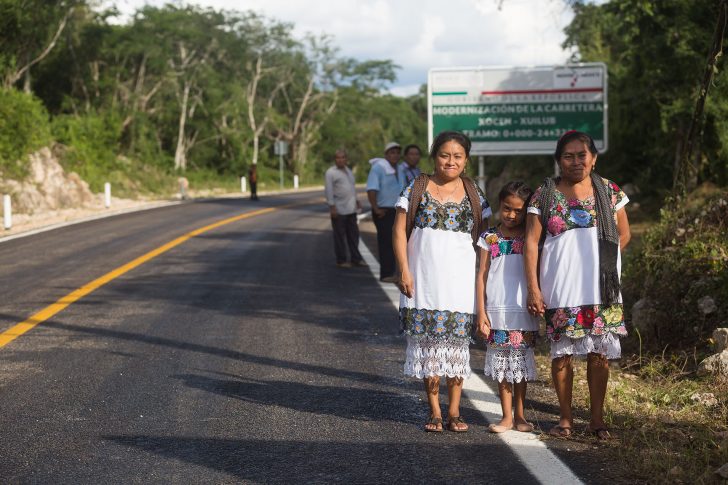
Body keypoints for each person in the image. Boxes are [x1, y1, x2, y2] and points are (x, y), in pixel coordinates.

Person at [524, 130, 631, 440]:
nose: (575, 161)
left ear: (593, 159)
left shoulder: (609, 191)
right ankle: (566, 419)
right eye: (568, 156)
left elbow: (624, 234)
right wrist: (534, 287)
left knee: (600, 355)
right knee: (562, 355)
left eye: (581, 155)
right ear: (559, 161)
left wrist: (605, 262)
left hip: (602, 290)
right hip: (561, 288)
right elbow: (531, 243)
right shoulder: (544, 194)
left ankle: (597, 421)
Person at [393, 131, 491, 433]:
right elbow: (398, 232)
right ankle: (434, 410)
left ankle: (455, 411)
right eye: (445, 155)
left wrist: (484, 286)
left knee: (457, 349)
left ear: (466, 160)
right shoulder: (417, 187)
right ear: (434, 156)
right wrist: (404, 271)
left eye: (457, 156)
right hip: (423, 282)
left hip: (460, 286)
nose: (450, 161)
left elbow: (486, 241)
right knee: (429, 348)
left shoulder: (475, 194)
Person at [475, 181, 540, 434]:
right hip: (497, 310)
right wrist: (481, 312)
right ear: (499, 206)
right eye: (506, 209)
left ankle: (521, 415)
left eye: (518, 211)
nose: (512, 215)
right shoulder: (489, 237)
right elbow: (481, 275)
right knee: (502, 364)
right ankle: (505, 416)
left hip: (523, 309)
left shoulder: (531, 238)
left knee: (520, 365)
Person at [367, 142, 403, 282]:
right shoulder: (378, 168)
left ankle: (396, 272)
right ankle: (386, 274)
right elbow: (371, 189)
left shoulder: (399, 168)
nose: (395, 155)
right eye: (392, 152)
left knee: (397, 242)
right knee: (386, 242)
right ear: (386, 155)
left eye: (397, 152)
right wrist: (376, 208)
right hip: (384, 210)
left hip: (397, 211)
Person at [324, 149, 366, 268]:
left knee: (354, 235)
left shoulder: (348, 171)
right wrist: (332, 207)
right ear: (335, 159)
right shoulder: (330, 172)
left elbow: (352, 188)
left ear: (346, 159)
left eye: (343, 157)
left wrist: (357, 201)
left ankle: (356, 259)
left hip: (351, 209)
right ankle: (341, 260)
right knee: (339, 236)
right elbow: (329, 191)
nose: (340, 160)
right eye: (338, 158)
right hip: (339, 210)